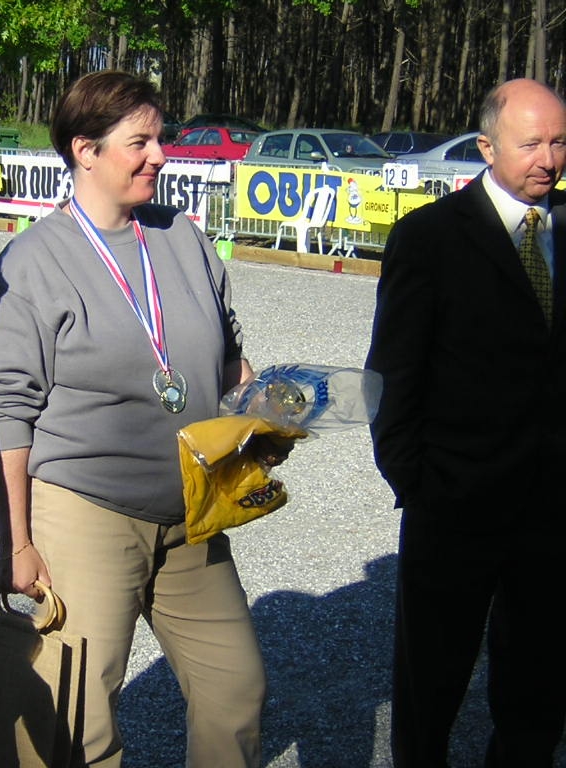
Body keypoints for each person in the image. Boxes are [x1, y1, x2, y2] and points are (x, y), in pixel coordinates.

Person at [0, 71, 278, 768]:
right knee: (78, 714)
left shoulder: (182, 239)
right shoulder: (32, 262)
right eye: (139, 141)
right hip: (86, 509)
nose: (160, 155)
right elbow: (8, 413)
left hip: (193, 506)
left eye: (160, 138)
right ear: (85, 150)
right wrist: (16, 542)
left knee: (236, 688)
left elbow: (230, 359)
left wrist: (267, 411)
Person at [366, 78, 566, 767]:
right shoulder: (430, 238)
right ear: (486, 146)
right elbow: (391, 376)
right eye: (531, 142)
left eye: (560, 141)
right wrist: (417, 482)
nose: (549, 158)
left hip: (552, 508)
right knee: (431, 681)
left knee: (539, 684)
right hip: (456, 501)